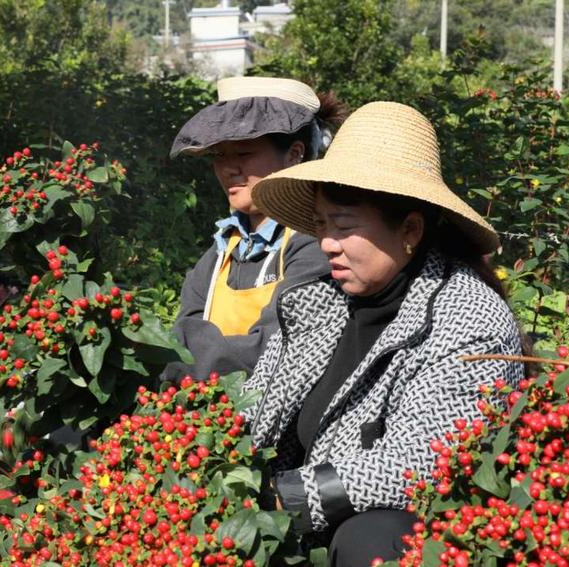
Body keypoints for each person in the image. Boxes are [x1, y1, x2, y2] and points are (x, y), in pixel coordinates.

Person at [243, 101, 527, 565]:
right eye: (320, 225)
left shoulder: (468, 318)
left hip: (411, 536)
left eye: (344, 226)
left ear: (410, 229)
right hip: (300, 535)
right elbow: (254, 405)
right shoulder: (317, 304)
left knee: (375, 535)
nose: (327, 243)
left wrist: (287, 498)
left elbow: (421, 460)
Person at [166, 77, 346, 381]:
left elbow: (272, 348)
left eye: (244, 154)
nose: (228, 168)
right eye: (220, 155)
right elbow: (182, 331)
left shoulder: (316, 244)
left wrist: (185, 351)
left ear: (294, 155)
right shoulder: (222, 250)